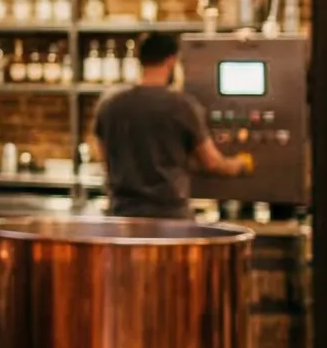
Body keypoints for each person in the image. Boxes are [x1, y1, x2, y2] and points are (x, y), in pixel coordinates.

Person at [91, 30, 255, 218]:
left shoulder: (110, 103)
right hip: (169, 217)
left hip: (122, 214)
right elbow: (211, 163)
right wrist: (241, 164)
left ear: (140, 59)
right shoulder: (182, 106)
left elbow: (102, 156)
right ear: (172, 61)